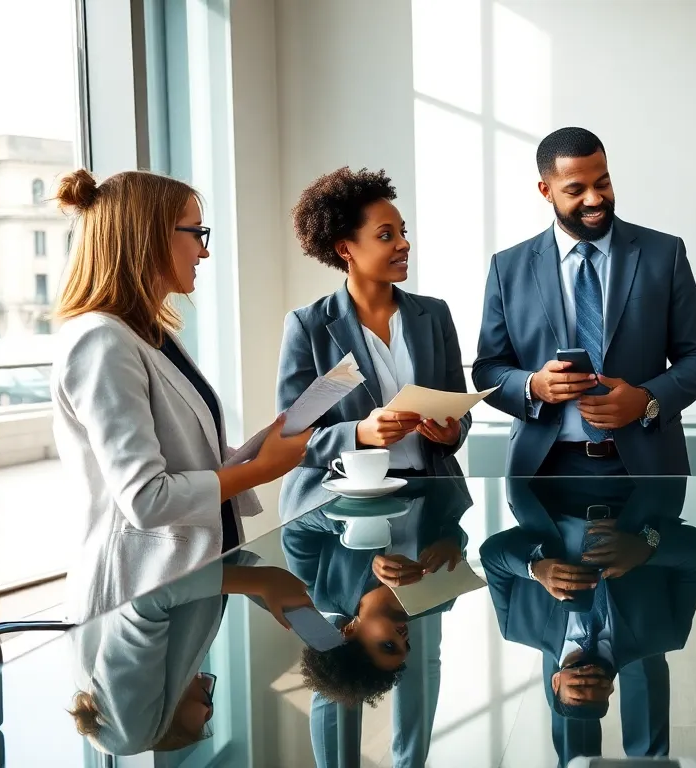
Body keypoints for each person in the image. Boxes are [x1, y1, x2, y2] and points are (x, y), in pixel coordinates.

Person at [51, 169, 312, 622]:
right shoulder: (100, 342)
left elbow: (187, 460)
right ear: (149, 236)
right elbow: (147, 499)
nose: (204, 250)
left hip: (185, 583)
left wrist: (258, 448)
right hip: (132, 598)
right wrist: (261, 471)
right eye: (196, 233)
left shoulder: (150, 334)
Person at [473, 127, 696, 477]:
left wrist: (646, 400)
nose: (594, 199)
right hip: (543, 470)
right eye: (576, 189)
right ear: (546, 190)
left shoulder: (664, 254)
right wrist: (533, 386)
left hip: (648, 466)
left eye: (602, 183)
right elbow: (488, 369)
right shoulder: (507, 267)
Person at [480, 476, 696, 766]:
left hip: (556, 486)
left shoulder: (519, 626)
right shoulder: (664, 634)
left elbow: (491, 555)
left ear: (555, 682)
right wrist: (647, 547)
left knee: (580, 717)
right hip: (634, 490)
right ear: (610, 689)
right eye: (598, 687)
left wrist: (533, 567)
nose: (589, 678)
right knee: (638, 675)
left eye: (579, 685)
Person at [278, 168, 470, 522]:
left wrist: (452, 431)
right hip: (343, 508)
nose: (404, 243)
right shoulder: (310, 327)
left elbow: (459, 408)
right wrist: (359, 433)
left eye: (403, 232)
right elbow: (292, 439)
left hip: (432, 500)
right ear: (345, 249)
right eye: (386, 235)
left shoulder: (434, 314)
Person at [282, 478, 473, 768]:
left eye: (388, 644)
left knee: (339, 680)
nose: (403, 636)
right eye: (404, 644)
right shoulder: (436, 595)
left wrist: (356, 528)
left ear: (348, 630)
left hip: (360, 476)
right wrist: (453, 542)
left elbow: (295, 524)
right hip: (424, 476)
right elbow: (452, 529)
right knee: (369, 679)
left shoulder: (316, 584)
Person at [70, 556, 314, 755]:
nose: (203, 680)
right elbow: (227, 563)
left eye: (207, 701)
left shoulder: (127, 733)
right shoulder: (177, 655)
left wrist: (259, 581)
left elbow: (144, 595)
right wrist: (309, 620)